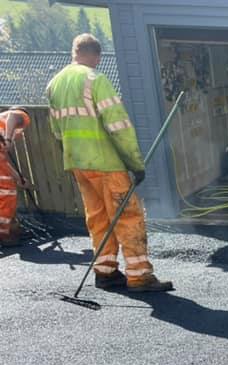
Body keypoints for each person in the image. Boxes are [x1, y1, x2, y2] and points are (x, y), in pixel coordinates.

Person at [46, 33, 172, 291]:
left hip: (78, 164)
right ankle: (139, 275)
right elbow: (118, 126)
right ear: (96, 55)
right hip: (107, 163)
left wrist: (72, 156)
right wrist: (135, 163)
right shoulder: (95, 79)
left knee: (99, 217)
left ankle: (105, 272)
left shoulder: (54, 84)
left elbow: (56, 130)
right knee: (128, 215)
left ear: (75, 52)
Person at [0, 107, 31, 247]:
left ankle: (9, 229)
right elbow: (13, 116)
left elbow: (3, 160)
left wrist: (18, 177)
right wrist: (8, 139)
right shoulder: (22, 116)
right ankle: (5, 233)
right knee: (7, 191)